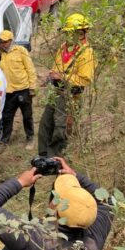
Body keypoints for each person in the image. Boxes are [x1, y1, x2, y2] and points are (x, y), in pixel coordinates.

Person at [38, 14, 95, 158]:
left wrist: (62, 76)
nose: (67, 36)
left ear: (80, 33)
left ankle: (55, 158)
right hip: (55, 92)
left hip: (70, 96)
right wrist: (50, 75)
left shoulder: (86, 53)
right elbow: (56, 66)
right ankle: (43, 155)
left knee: (60, 127)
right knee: (45, 124)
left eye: (70, 33)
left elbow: (85, 80)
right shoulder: (64, 47)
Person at [0, 30, 37, 153]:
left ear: (11, 40)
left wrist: (32, 88)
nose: (3, 43)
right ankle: (4, 141)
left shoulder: (20, 51)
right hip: (8, 91)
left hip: (23, 89)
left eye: (5, 41)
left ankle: (30, 138)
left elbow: (30, 69)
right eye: (1, 41)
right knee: (7, 117)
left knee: (27, 116)